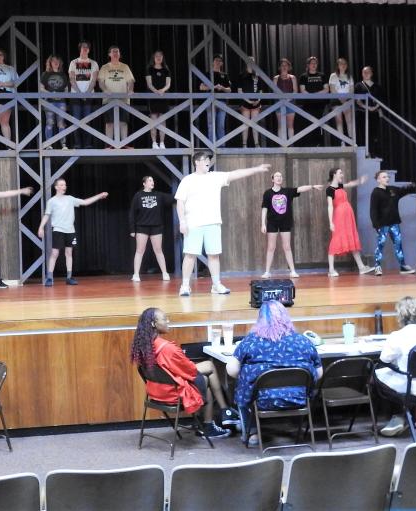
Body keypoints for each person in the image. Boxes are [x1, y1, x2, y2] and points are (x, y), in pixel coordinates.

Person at [227, 300, 323, 446]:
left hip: (261, 400)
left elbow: (232, 371)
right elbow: (319, 373)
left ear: (260, 319)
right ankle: (298, 430)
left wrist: (248, 375)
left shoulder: (251, 342)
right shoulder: (303, 341)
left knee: (243, 388)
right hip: (298, 398)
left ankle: (252, 433)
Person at [176, 151, 270, 296]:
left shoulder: (215, 177)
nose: (208, 161)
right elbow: (180, 202)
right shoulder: (187, 180)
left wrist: (256, 169)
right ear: (196, 162)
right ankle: (185, 286)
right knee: (190, 255)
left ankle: (216, 285)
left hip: (213, 222)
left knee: (214, 255)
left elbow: (236, 173)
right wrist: (182, 221)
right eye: (204, 159)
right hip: (193, 223)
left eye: (209, 159)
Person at [130, 307, 234, 439]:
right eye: (165, 319)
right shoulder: (167, 348)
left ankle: (209, 420)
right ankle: (215, 419)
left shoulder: (143, 347)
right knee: (206, 376)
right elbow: (189, 371)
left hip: (155, 393)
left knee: (207, 369)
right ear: (153, 324)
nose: (168, 321)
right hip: (173, 394)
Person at [374, 296, 416, 437]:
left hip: (412, 387)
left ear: (401, 315)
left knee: (375, 377)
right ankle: (403, 416)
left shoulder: (398, 336)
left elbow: (384, 359)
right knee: (404, 378)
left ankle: (398, 416)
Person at [36, 179, 108, 287]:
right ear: (56, 187)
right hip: (58, 230)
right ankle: (49, 278)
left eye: (65, 184)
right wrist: (41, 227)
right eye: (61, 185)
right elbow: (47, 215)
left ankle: (69, 278)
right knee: (54, 253)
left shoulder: (70, 199)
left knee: (69, 253)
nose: (64, 186)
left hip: (70, 230)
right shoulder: (52, 201)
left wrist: (99, 196)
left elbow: (85, 202)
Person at [260, 171, 321, 278]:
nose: (279, 178)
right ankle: (267, 272)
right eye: (276, 176)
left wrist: (312, 187)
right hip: (272, 223)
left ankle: (292, 271)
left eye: (280, 176)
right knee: (271, 247)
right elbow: (264, 209)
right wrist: (263, 224)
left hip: (285, 222)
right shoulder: (267, 193)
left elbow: (300, 189)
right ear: (272, 179)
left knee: (287, 246)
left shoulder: (287, 191)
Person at [326, 168, 375, 277]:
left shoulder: (340, 186)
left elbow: (350, 184)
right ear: (334, 175)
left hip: (348, 217)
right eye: (340, 173)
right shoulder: (330, 189)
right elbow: (330, 206)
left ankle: (361, 267)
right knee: (336, 240)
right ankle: (331, 270)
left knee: (351, 238)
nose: (342, 175)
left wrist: (359, 181)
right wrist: (331, 222)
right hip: (339, 217)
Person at [370, 170, 416, 276]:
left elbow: (405, 190)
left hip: (394, 223)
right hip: (382, 225)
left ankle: (403, 266)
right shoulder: (376, 192)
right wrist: (376, 225)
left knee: (398, 244)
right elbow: (373, 210)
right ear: (378, 180)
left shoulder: (392, 190)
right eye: (383, 177)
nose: (387, 178)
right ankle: (377, 267)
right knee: (380, 245)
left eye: (387, 177)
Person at [129, 176, 174, 282]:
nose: (152, 182)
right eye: (150, 180)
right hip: (142, 227)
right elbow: (132, 213)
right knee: (139, 251)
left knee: (158, 250)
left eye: (153, 180)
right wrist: (132, 229)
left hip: (156, 226)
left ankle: (165, 273)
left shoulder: (158, 195)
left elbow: (173, 198)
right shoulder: (138, 195)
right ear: (144, 183)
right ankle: (136, 274)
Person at [97, 45, 135, 148]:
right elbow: (100, 81)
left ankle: (124, 144)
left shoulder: (125, 66)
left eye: (117, 51)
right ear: (109, 54)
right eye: (113, 51)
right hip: (109, 100)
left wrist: (130, 89)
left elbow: (131, 81)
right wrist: (105, 90)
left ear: (119, 54)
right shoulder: (105, 67)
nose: (115, 53)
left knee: (123, 122)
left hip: (123, 99)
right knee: (109, 123)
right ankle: (109, 145)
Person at [68, 41, 100, 149]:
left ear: (89, 50)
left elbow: (94, 80)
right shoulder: (73, 62)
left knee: (87, 119)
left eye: (87, 48)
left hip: (89, 95)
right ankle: (77, 144)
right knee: (76, 119)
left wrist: (86, 93)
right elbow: (72, 79)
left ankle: (87, 144)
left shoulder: (94, 63)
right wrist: (79, 93)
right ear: (80, 49)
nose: (85, 49)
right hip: (75, 95)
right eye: (83, 47)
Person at [198, 54, 231, 145]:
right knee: (211, 124)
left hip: (222, 102)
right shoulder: (208, 74)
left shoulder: (225, 75)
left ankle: (221, 146)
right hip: (210, 101)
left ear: (222, 63)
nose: (217, 62)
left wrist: (222, 88)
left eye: (219, 61)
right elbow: (201, 87)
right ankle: (212, 145)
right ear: (213, 62)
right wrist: (213, 87)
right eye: (216, 60)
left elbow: (229, 90)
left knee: (221, 125)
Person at [39, 54, 70, 150]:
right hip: (49, 101)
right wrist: (51, 94)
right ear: (50, 63)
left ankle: (63, 145)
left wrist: (60, 95)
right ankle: (49, 144)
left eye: (57, 61)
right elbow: (41, 88)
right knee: (49, 122)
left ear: (60, 63)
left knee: (61, 123)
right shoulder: (45, 74)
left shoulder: (63, 75)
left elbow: (66, 89)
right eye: (53, 61)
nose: (56, 62)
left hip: (61, 102)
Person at [236, 56, 265, 148]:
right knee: (246, 124)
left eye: (253, 61)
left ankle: (257, 144)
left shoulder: (257, 75)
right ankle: (244, 144)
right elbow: (240, 91)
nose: (251, 63)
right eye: (250, 61)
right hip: (245, 104)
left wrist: (258, 100)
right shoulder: (241, 75)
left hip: (256, 103)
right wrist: (248, 101)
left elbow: (261, 90)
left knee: (255, 124)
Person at [145, 50, 171, 149]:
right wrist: (156, 91)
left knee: (162, 120)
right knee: (153, 119)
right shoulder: (150, 69)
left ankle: (162, 142)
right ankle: (154, 142)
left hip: (163, 96)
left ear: (163, 58)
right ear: (153, 58)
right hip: (153, 96)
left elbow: (168, 84)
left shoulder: (166, 70)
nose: (159, 57)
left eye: (160, 56)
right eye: (156, 56)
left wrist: (162, 90)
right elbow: (149, 84)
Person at [298, 56, 327, 147]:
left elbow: (326, 89)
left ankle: (319, 144)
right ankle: (309, 145)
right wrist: (311, 96)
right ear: (308, 65)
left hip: (320, 104)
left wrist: (317, 94)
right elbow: (302, 90)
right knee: (308, 124)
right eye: (312, 63)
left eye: (315, 63)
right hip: (308, 104)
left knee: (319, 124)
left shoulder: (322, 75)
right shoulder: (303, 76)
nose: (314, 65)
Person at [354, 66, 383, 155]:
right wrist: (367, 107)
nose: (366, 74)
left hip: (374, 113)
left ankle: (373, 153)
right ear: (362, 74)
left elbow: (380, 99)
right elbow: (357, 100)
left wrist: (375, 108)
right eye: (364, 72)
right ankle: (365, 153)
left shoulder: (377, 86)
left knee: (374, 134)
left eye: (368, 72)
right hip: (362, 113)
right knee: (363, 133)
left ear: (371, 73)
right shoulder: (358, 85)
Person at [328, 57, 354, 144]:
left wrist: (346, 99)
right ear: (338, 65)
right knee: (339, 121)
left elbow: (351, 89)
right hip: (336, 100)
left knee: (349, 120)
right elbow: (332, 89)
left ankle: (351, 140)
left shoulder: (349, 76)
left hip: (347, 100)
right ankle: (342, 141)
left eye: (345, 64)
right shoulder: (333, 75)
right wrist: (340, 98)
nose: (343, 65)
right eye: (341, 64)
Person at [273, 58, 298, 142]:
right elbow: (274, 92)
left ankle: (290, 145)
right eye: (282, 65)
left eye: (286, 65)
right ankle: (282, 145)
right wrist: (282, 100)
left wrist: (288, 99)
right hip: (279, 103)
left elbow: (295, 91)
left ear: (288, 67)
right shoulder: (276, 78)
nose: (284, 67)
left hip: (290, 103)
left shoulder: (293, 78)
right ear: (279, 67)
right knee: (280, 125)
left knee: (290, 125)